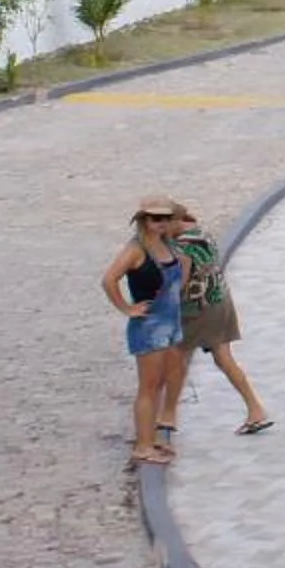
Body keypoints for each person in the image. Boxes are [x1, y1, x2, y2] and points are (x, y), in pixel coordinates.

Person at [101, 195, 190, 469]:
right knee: (149, 387)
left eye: (166, 218)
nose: (162, 223)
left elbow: (188, 226)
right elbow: (109, 279)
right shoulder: (136, 249)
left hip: (171, 322)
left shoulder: (168, 243)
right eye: (156, 218)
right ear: (144, 220)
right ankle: (143, 446)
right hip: (150, 326)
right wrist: (127, 309)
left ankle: (150, 436)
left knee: (164, 380)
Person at [171, 209, 275, 435]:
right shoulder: (201, 233)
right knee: (224, 359)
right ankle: (255, 409)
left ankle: (166, 417)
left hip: (200, 309)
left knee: (177, 357)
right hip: (221, 300)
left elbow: (180, 284)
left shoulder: (182, 249)